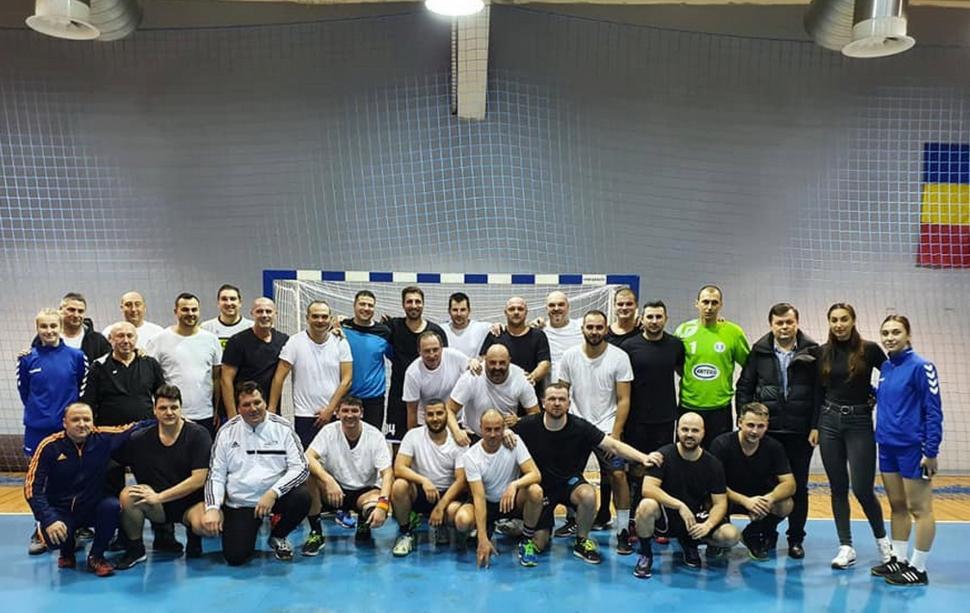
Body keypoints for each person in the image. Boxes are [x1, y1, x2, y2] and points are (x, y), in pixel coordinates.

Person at [513, 383, 661, 564]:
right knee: (540, 543)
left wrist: (643, 457)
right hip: (541, 489)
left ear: (569, 403)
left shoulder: (580, 427)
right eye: (552, 399)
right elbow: (498, 436)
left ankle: (581, 541)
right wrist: (505, 433)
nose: (557, 403)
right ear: (543, 402)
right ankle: (528, 537)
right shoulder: (527, 425)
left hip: (569, 483)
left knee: (588, 494)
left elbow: (613, 446)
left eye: (561, 399)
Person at [735, 302, 819, 559]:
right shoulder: (759, 351)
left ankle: (795, 539)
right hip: (768, 433)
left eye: (789, 322)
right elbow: (745, 387)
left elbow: (819, 392)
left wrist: (815, 425)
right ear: (771, 325)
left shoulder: (813, 351)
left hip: (800, 432)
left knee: (798, 487)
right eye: (779, 323)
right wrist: (743, 419)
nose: (784, 327)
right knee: (769, 487)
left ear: (797, 323)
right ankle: (765, 532)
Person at [24, 403, 147, 577]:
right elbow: (31, 488)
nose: (82, 424)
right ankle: (66, 551)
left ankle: (96, 556)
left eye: (86, 419)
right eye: (75, 419)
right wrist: (48, 519)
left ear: (92, 421)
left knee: (113, 506)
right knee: (54, 539)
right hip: (61, 510)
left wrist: (164, 420)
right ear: (64, 423)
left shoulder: (103, 438)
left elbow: (131, 428)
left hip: (91, 506)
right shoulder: (49, 446)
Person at [816, 302, 892, 570]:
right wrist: (815, 426)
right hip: (829, 423)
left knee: (862, 489)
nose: (839, 324)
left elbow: (891, 377)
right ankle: (846, 547)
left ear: (853, 320)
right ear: (829, 322)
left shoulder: (869, 350)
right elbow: (818, 391)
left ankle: (884, 544)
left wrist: (876, 394)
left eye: (844, 319)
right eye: (834, 319)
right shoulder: (822, 352)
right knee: (838, 488)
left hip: (859, 423)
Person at [202, 382, 310, 565]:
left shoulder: (283, 428)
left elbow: (301, 468)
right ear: (238, 408)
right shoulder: (226, 432)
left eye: (257, 402)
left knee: (302, 497)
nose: (253, 409)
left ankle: (278, 535)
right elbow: (216, 475)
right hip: (241, 502)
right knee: (235, 557)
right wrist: (212, 508)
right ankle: (249, 527)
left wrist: (273, 493)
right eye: (246, 405)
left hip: (274, 498)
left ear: (265, 403)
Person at [871, 315, 943, 586]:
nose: (890, 337)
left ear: (908, 335)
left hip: (913, 448)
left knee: (919, 508)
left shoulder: (922, 367)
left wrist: (931, 450)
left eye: (896, 332)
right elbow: (888, 400)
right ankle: (899, 560)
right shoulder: (886, 367)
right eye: (885, 333)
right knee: (897, 506)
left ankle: (918, 568)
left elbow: (933, 411)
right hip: (887, 446)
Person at [558, 310, 635, 553]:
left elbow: (624, 399)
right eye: (590, 327)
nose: (594, 331)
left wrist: (616, 434)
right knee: (568, 475)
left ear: (606, 329)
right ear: (583, 328)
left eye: (599, 327)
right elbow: (561, 393)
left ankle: (623, 530)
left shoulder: (619, 357)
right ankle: (573, 520)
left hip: (607, 429)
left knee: (619, 475)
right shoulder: (570, 356)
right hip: (577, 427)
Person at [113, 385, 212, 569]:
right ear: (154, 410)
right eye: (163, 408)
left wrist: (159, 497)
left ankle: (194, 538)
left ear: (181, 408)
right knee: (129, 495)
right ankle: (136, 549)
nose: (169, 412)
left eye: (174, 407)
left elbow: (199, 479)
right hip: (158, 507)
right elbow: (114, 460)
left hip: (190, 504)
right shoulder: (139, 439)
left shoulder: (198, 435)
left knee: (205, 524)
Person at [633, 412, 740, 579]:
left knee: (731, 535)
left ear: (703, 433)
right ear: (677, 431)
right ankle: (646, 554)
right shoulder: (663, 455)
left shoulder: (713, 464)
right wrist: (679, 505)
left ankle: (691, 544)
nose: (689, 434)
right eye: (685, 429)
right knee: (646, 505)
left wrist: (708, 525)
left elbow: (720, 503)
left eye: (695, 430)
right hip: (667, 516)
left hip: (694, 519)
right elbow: (648, 489)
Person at [611, 300, 684, 535]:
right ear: (642, 319)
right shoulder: (629, 346)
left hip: (665, 418)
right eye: (650, 317)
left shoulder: (675, 345)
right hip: (636, 420)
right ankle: (634, 519)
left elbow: (683, 372)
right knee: (636, 470)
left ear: (666, 319)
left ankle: (658, 519)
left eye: (658, 317)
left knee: (661, 468)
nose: (654, 321)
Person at [19, 308, 89, 555]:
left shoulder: (77, 356)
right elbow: (25, 392)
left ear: (60, 328)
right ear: (37, 329)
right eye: (44, 327)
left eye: (53, 326)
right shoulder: (27, 359)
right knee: (38, 481)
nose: (48, 331)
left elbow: (82, 390)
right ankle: (40, 529)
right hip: (37, 430)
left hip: (67, 430)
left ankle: (74, 527)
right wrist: (42, 413)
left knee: (71, 479)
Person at [453, 409, 544, 568]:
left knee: (535, 491)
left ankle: (526, 541)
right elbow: (479, 497)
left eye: (497, 429)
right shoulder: (471, 457)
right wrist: (482, 539)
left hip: (510, 501)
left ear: (504, 428)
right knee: (462, 520)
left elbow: (535, 474)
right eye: (488, 429)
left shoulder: (515, 442)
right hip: (487, 502)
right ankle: (482, 530)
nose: (493, 434)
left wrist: (514, 484)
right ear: (481, 428)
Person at [303, 396, 394, 555]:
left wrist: (383, 505)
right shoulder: (329, 431)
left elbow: (387, 473)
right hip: (335, 491)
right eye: (345, 411)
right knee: (309, 476)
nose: (349, 415)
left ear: (362, 413)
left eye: (354, 411)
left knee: (373, 506)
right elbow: (308, 457)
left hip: (364, 492)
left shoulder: (375, 435)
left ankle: (364, 525)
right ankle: (316, 533)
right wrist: (328, 480)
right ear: (337, 413)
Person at [709, 402, 795, 561]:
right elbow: (714, 485)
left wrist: (769, 499)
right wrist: (745, 501)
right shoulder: (721, 444)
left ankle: (753, 533)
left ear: (767, 426)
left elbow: (790, 484)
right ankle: (716, 536)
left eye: (760, 426)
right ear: (739, 423)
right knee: (726, 534)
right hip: (726, 499)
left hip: (758, 501)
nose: (755, 431)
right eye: (750, 425)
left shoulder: (774, 447)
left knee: (785, 504)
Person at [268, 300, 353, 449]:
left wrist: (330, 409)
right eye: (315, 316)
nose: (320, 320)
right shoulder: (294, 342)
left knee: (336, 460)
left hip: (334, 414)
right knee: (307, 459)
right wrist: (272, 411)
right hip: (305, 415)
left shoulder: (340, 342)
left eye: (324, 316)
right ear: (307, 318)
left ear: (330, 319)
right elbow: (278, 378)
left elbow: (347, 380)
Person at [674, 285, 750, 448]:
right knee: (686, 455)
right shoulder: (683, 331)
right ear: (697, 303)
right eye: (705, 302)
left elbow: (749, 367)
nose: (709, 307)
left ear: (721, 305)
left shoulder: (734, 332)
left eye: (714, 303)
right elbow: (676, 363)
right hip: (689, 406)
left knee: (718, 456)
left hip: (720, 408)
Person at [390, 399, 468, 557]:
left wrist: (440, 507)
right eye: (430, 414)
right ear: (424, 417)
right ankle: (405, 533)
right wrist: (424, 481)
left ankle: (442, 526)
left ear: (447, 415)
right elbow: (399, 468)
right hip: (422, 492)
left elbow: (461, 480)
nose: (435, 418)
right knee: (399, 486)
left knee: (456, 514)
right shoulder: (413, 435)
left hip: (447, 495)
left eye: (439, 413)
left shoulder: (459, 440)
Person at [145, 293, 223, 439]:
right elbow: (149, 378)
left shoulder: (211, 340)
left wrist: (217, 410)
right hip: (171, 415)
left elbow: (216, 378)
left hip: (205, 415)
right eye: (185, 309)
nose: (190, 313)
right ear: (176, 311)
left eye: (194, 309)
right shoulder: (159, 340)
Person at [386, 287, 449, 443]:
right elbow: (368, 328)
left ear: (423, 304)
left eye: (417, 302)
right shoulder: (393, 326)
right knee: (399, 444)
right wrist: (342, 322)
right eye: (409, 301)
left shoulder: (436, 331)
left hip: (430, 399)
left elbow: (444, 362)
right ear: (403, 304)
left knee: (432, 443)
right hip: (399, 397)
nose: (414, 305)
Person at [446, 344, 540, 445]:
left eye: (502, 363)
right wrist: (457, 432)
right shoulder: (472, 376)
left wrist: (520, 421)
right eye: (492, 363)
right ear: (485, 360)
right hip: (473, 435)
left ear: (509, 361)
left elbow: (535, 415)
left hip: (506, 436)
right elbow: (449, 409)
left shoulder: (521, 378)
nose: (497, 367)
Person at [220, 297, 289, 419]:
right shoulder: (237, 341)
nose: (264, 315)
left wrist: (272, 409)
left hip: (269, 409)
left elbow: (279, 377)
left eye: (268, 311)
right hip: (243, 409)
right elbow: (226, 379)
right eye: (259, 311)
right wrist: (232, 414)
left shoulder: (283, 340)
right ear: (252, 313)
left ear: (275, 314)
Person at [340, 290, 394, 430]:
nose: (366, 308)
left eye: (370, 305)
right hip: (347, 397)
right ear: (354, 305)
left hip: (374, 399)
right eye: (362, 304)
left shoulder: (384, 332)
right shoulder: (342, 327)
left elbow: (396, 358)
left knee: (373, 439)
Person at [479, 296, 550, 399]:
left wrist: (529, 379)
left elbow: (545, 364)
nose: (516, 312)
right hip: (498, 398)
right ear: (505, 312)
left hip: (529, 397)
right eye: (512, 309)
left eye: (520, 309)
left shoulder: (538, 336)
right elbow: (483, 361)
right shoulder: (496, 334)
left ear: (526, 312)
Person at [403, 331, 468, 429]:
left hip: (455, 419)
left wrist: (474, 362)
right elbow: (412, 411)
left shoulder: (454, 356)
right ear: (419, 352)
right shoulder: (412, 373)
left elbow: (473, 367)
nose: (432, 355)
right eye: (427, 351)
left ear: (442, 348)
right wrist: (412, 436)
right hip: (427, 422)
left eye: (435, 349)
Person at [538, 291, 583, 384]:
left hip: (578, 385)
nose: (556, 308)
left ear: (568, 306)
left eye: (561, 304)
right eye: (552, 305)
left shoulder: (581, 326)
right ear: (546, 308)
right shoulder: (540, 331)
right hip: (551, 388)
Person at [53, 292, 111, 362]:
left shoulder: (98, 341)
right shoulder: (48, 338)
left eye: (80, 311)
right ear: (60, 310)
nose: (76, 315)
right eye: (71, 310)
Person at [443, 292, 493, 358]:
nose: (459, 314)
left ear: (469, 311)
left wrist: (498, 325)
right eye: (455, 310)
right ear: (449, 311)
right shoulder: (441, 330)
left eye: (463, 310)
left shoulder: (482, 328)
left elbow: (500, 328)